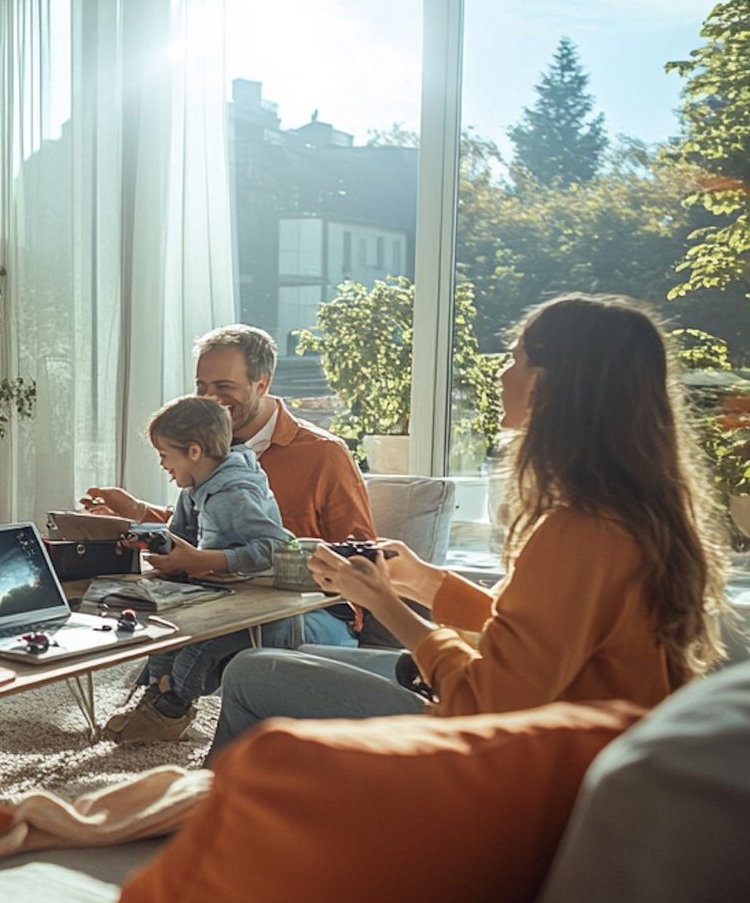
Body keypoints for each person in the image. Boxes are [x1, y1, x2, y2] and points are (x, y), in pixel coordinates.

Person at [206, 294, 735, 760]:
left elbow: (488, 700)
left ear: (551, 385)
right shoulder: (621, 511)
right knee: (294, 659)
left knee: (254, 672)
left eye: (515, 359)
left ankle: (209, 836)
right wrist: (420, 580)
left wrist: (388, 606)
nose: (501, 373)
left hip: (529, 757)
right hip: (561, 732)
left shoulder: (578, 530)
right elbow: (530, 635)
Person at [83, 324, 378, 647]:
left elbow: (363, 556)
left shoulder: (323, 453)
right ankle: (160, 692)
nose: (210, 398)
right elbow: (212, 529)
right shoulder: (207, 449)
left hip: (315, 610)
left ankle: (172, 693)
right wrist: (136, 512)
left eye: (224, 386)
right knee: (144, 611)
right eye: (202, 386)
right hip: (231, 596)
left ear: (261, 384)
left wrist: (292, 563)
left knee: (241, 630)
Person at [105, 396, 291, 743]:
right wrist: (145, 542)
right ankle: (155, 701)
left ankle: (170, 711)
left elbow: (276, 547)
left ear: (193, 451)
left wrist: (202, 561)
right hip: (220, 590)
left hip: (256, 601)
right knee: (163, 635)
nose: (161, 463)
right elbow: (182, 535)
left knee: (194, 650)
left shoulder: (234, 492)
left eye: (164, 454)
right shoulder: (194, 487)